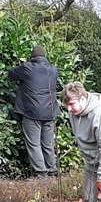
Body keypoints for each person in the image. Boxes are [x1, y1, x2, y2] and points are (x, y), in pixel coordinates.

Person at [8, 45, 61, 176]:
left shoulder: (27, 67)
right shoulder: (53, 70)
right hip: (50, 113)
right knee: (48, 143)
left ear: (32, 57)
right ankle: (53, 171)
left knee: (34, 144)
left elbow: (11, 74)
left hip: (32, 113)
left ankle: (41, 173)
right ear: (45, 56)